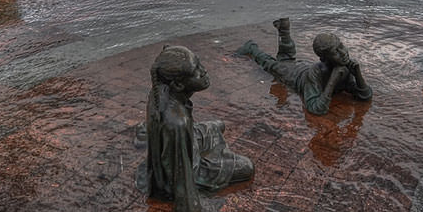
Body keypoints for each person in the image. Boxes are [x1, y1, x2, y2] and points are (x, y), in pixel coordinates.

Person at [136, 46, 253, 212]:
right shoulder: (177, 122)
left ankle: (202, 145)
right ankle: (208, 161)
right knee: (247, 167)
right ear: (178, 84)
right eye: (196, 70)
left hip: (188, 144)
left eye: (199, 64)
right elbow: (182, 181)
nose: (204, 71)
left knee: (218, 125)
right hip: (190, 167)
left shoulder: (158, 91)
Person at [237, 18, 372, 115]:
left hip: (302, 66)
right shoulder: (316, 73)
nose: (343, 53)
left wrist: (358, 74)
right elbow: (316, 108)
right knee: (272, 65)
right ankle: (251, 47)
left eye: (341, 46)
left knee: (287, 58)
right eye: (335, 52)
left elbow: (365, 96)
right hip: (295, 75)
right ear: (324, 59)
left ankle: (284, 30)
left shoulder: (344, 67)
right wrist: (333, 80)